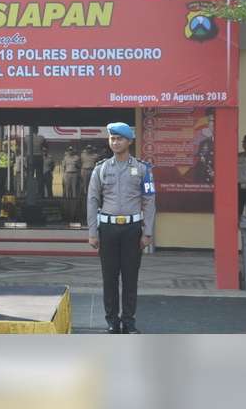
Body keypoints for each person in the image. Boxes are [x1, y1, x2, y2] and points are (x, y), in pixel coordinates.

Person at [87, 122, 156, 334]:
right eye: (112, 139)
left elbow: (150, 200)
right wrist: (92, 232)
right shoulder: (100, 169)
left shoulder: (143, 169)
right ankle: (111, 321)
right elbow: (92, 200)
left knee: (129, 278)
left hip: (132, 230)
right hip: (107, 230)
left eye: (119, 139)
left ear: (129, 141)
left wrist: (148, 232)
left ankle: (128, 320)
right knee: (109, 277)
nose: (115, 142)